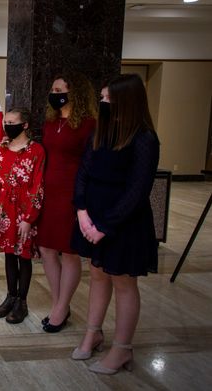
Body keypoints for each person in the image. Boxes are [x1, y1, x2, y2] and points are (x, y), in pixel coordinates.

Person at [70, 74, 159, 374]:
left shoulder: (144, 138)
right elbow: (83, 173)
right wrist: (82, 211)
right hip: (92, 216)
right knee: (96, 276)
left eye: (109, 99)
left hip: (122, 223)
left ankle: (122, 349)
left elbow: (137, 190)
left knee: (123, 282)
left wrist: (104, 226)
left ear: (127, 101)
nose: (103, 103)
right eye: (102, 98)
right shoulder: (100, 132)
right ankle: (92, 333)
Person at [37, 72, 97, 333]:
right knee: (47, 250)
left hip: (72, 193)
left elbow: (91, 163)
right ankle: (58, 301)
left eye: (60, 89)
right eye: (53, 88)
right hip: (48, 192)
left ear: (75, 94)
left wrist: (83, 200)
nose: (55, 93)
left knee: (70, 252)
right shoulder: (50, 123)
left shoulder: (88, 124)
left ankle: (61, 308)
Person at [0, 108, 45, 324]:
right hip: (5, 210)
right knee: (9, 254)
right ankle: (10, 296)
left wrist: (29, 218)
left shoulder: (36, 150)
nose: (7, 125)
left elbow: (38, 184)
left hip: (24, 212)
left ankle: (22, 301)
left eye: (12, 122)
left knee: (24, 256)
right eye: (5, 121)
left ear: (25, 125)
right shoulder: (0, 149)